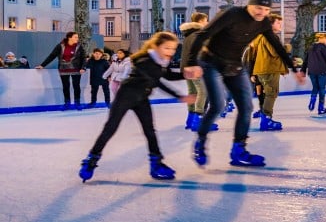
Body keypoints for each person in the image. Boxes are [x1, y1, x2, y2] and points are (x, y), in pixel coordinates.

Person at [183, 0, 302, 167]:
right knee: (217, 105)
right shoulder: (232, 14)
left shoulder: (263, 24)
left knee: (246, 107)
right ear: (250, 5)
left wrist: (294, 68)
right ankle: (200, 143)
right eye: (258, 8)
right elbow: (203, 34)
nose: (262, 13)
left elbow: (276, 45)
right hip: (211, 62)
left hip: (235, 66)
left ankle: (239, 150)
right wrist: (191, 62)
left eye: (266, 10)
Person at [78, 32, 196, 183]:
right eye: (167, 48)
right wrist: (179, 95)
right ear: (156, 46)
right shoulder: (146, 60)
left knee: (150, 131)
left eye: (173, 49)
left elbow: (166, 75)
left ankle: (156, 163)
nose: (171, 52)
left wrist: (186, 75)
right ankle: (91, 160)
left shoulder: (159, 61)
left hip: (141, 98)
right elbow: (158, 81)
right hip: (126, 96)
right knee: (110, 128)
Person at [244, 13, 294, 130]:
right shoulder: (269, 36)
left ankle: (265, 117)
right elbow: (275, 51)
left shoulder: (259, 36)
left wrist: (253, 72)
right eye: (278, 23)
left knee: (267, 93)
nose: (281, 25)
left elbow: (254, 54)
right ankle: (266, 119)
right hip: (268, 69)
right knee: (271, 93)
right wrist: (287, 47)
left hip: (262, 69)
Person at [178, 12, 217, 132]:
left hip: (185, 67)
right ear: (200, 21)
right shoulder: (199, 34)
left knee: (193, 93)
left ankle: (190, 119)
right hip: (195, 67)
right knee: (203, 91)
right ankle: (198, 120)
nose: (207, 23)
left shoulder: (188, 35)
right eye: (206, 20)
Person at [36, 31, 87, 110]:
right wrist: (42, 65)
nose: (77, 38)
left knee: (76, 86)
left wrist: (83, 67)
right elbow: (52, 55)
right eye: (75, 37)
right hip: (63, 69)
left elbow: (83, 58)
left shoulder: (79, 46)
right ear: (70, 38)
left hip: (76, 69)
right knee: (65, 86)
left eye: (77, 37)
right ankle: (67, 103)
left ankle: (78, 103)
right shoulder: (60, 46)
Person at [301, 32, 326, 115]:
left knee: (315, 87)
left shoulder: (311, 47)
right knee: (322, 88)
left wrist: (303, 70)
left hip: (312, 71)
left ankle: (312, 102)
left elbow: (306, 60)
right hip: (321, 71)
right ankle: (321, 107)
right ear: (322, 38)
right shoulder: (324, 48)